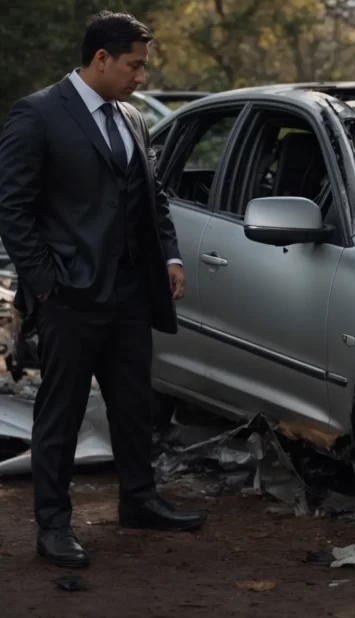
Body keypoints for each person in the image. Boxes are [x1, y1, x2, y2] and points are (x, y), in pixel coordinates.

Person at [0, 11, 205, 569]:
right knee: (60, 415)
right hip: (69, 296)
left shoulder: (135, 118)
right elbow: (12, 211)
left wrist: (168, 255)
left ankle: (138, 501)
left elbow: (152, 197)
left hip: (131, 292)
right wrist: (45, 286)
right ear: (101, 59)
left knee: (135, 405)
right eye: (134, 66)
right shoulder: (38, 114)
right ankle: (53, 526)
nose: (141, 77)